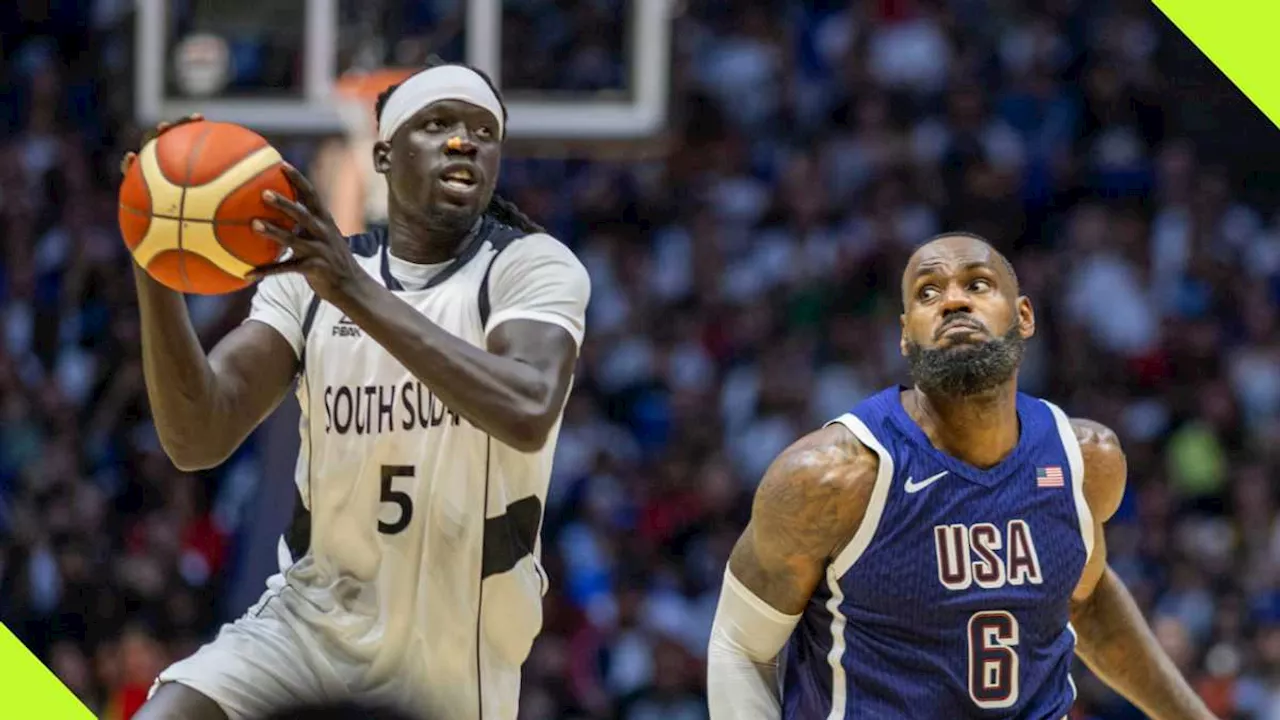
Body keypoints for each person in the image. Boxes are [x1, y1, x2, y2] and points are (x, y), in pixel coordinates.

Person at [125, 60, 591, 720]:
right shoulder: (310, 279)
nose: (464, 141)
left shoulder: (529, 268)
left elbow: (528, 408)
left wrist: (351, 290)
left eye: (483, 130)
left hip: (452, 648)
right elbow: (197, 436)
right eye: (437, 124)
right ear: (383, 154)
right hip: (311, 622)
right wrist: (156, 257)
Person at [706, 233, 1216, 719]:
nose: (953, 301)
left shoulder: (1085, 461)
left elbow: (1087, 600)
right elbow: (740, 646)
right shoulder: (831, 477)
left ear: (1023, 316)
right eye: (928, 292)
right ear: (905, 336)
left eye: (977, 284)